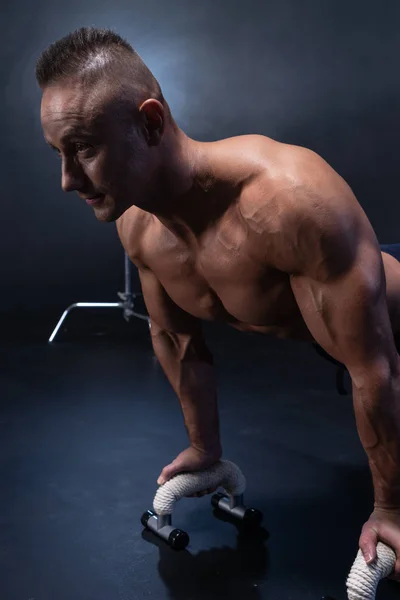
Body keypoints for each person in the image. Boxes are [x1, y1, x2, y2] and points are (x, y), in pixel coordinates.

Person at [37, 27, 400, 579]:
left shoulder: (289, 201)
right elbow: (179, 339)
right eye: (59, 153)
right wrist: (204, 448)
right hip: (354, 332)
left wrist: (391, 509)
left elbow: (375, 366)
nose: (67, 180)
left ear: (150, 122)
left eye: (84, 147)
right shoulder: (138, 227)